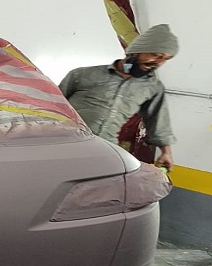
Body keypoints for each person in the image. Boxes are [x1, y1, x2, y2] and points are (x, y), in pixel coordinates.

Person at [59, 24, 179, 170]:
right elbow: (51, 107)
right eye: (155, 55)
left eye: (165, 59)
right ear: (135, 51)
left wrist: (166, 153)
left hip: (104, 151)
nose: (159, 63)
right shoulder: (82, 75)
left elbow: (158, 122)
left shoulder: (152, 88)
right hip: (65, 144)